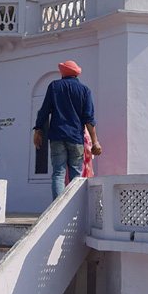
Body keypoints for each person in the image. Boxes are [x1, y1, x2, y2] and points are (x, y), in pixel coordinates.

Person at [33, 60, 101, 198]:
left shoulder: (54, 86)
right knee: (76, 175)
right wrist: (95, 142)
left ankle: (57, 212)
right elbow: (88, 118)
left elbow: (44, 111)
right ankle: (73, 209)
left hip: (57, 137)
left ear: (63, 73)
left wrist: (38, 130)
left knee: (58, 174)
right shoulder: (84, 90)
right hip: (76, 137)